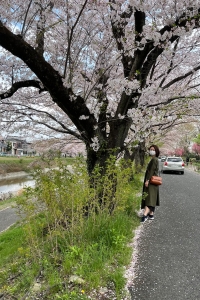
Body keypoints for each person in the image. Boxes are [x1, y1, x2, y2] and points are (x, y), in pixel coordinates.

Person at [141, 144, 160, 223]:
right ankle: (151, 214)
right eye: (150, 149)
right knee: (151, 197)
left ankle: (145, 215)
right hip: (153, 182)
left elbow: (151, 171)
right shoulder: (154, 159)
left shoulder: (154, 159)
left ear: (156, 151)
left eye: (153, 149)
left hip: (151, 182)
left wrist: (147, 180)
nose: (151, 151)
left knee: (149, 198)